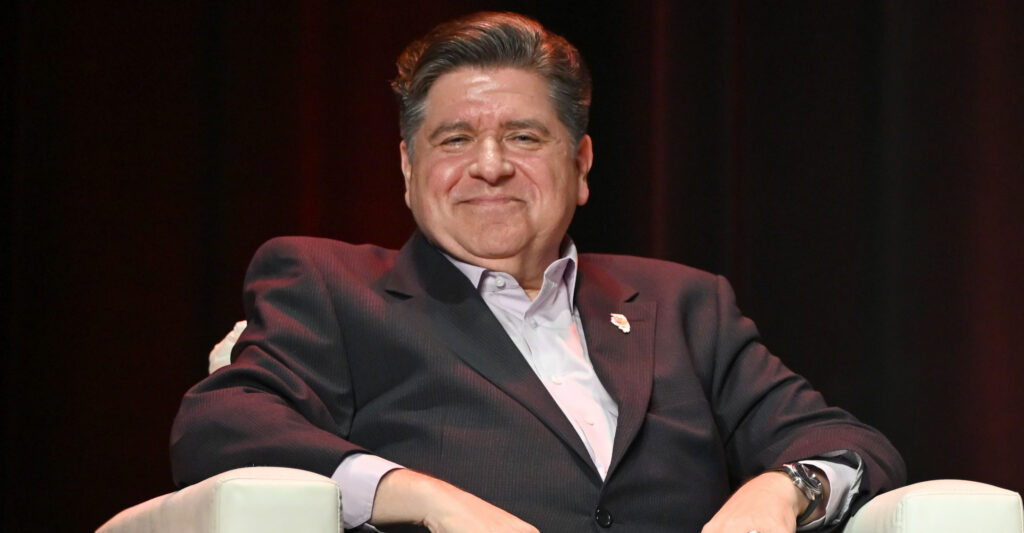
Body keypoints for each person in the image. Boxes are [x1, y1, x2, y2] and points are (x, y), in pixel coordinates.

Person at [170, 12, 904, 533]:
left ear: (580, 165)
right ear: (407, 166)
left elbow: (853, 446)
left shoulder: (684, 303)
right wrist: (423, 497)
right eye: (455, 138)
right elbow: (223, 424)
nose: (489, 166)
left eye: (523, 136)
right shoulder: (332, 285)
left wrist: (782, 490)